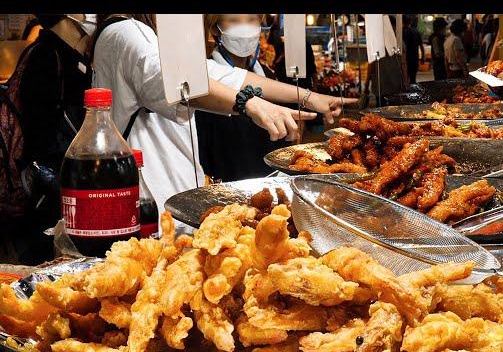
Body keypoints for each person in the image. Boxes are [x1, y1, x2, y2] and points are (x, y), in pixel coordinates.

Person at [92, 14, 354, 217]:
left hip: (179, 205)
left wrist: (308, 97)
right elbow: (175, 80)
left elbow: (227, 76)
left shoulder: (156, 38)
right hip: (148, 210)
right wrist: (249, 104)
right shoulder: (125, 33)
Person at [1, 14, 95, 264]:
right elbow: (41, 133)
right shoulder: (47, 55)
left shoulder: (66, 54)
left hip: (56, 185)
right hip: (45, 191)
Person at [195, 14, 288, 180]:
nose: (245, 28)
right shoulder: (204, 81)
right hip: (224, 186)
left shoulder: (268, 76)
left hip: (271, 179)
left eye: (252, 19)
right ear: (215, 29)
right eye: (233, 20)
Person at [402, 15, 425, 84]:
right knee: (413, 78)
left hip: (405, 59)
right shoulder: (416, 32)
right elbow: (421, 46)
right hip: (414, 58)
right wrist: (423, 57)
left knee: (405, 79)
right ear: (410, 22)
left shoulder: (400, 32)